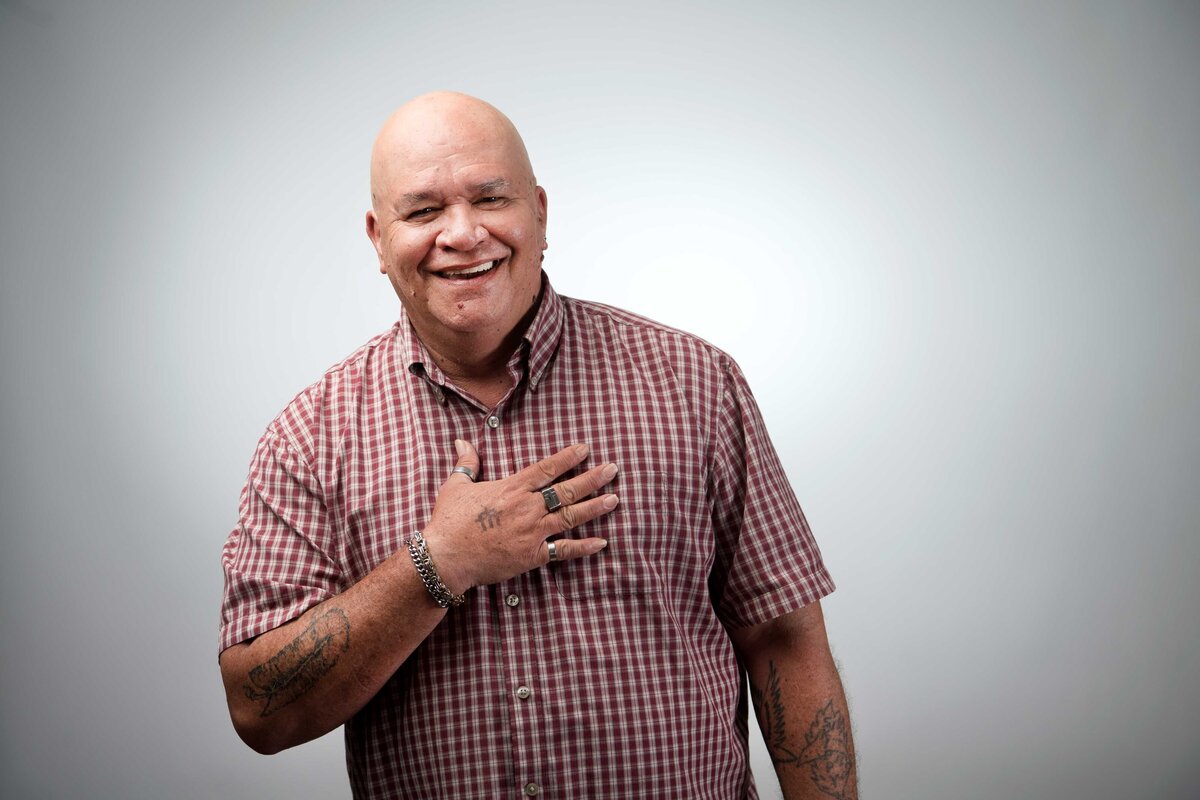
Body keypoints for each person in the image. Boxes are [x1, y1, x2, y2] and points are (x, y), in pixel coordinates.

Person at [219, 91, 857, 800]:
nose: (462, 234)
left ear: (541, 214)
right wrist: (440, 564)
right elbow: (258, 711)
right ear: (377, 238)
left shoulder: (695, 385)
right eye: (424, 210)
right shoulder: (308, 439)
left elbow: (784, 640)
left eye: (491, 197)